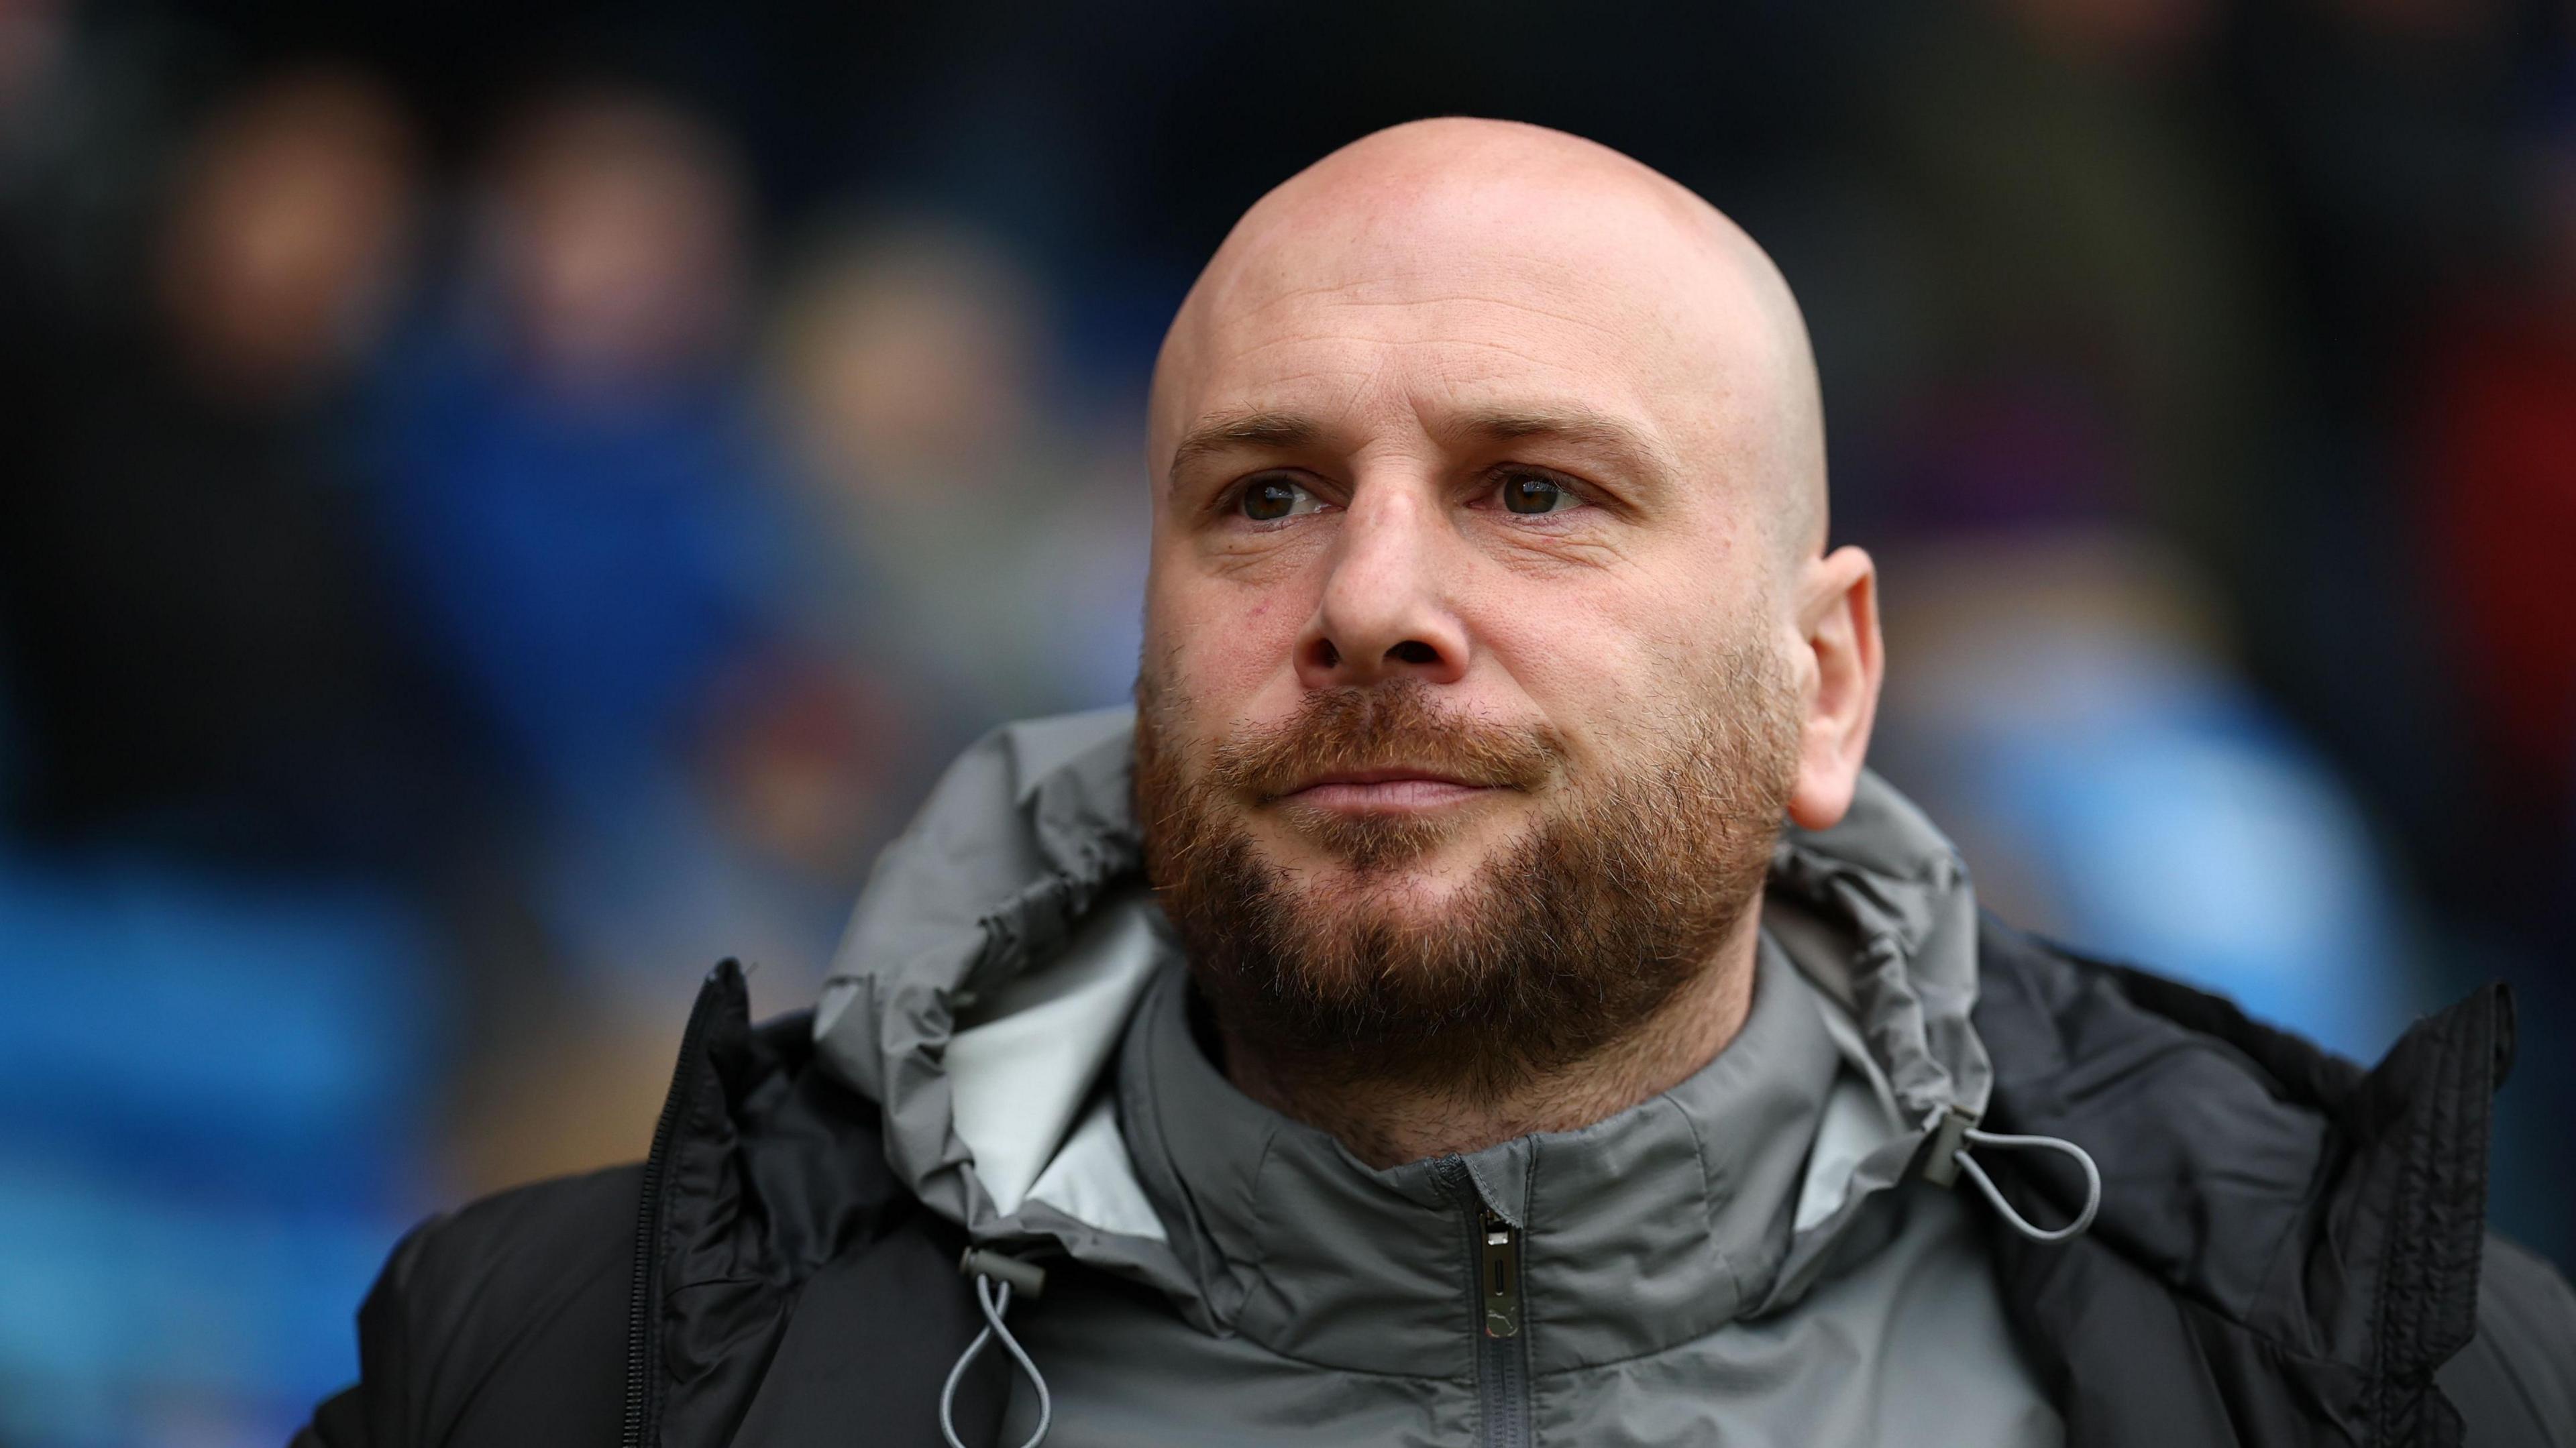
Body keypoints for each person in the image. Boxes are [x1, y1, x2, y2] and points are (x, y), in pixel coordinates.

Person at [295, 119, 2576, 1448]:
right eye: (1265, 497)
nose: (1376, 594)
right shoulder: (562, 1374)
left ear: (1824, 681)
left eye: (1540, 492)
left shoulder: (2384, 1370)